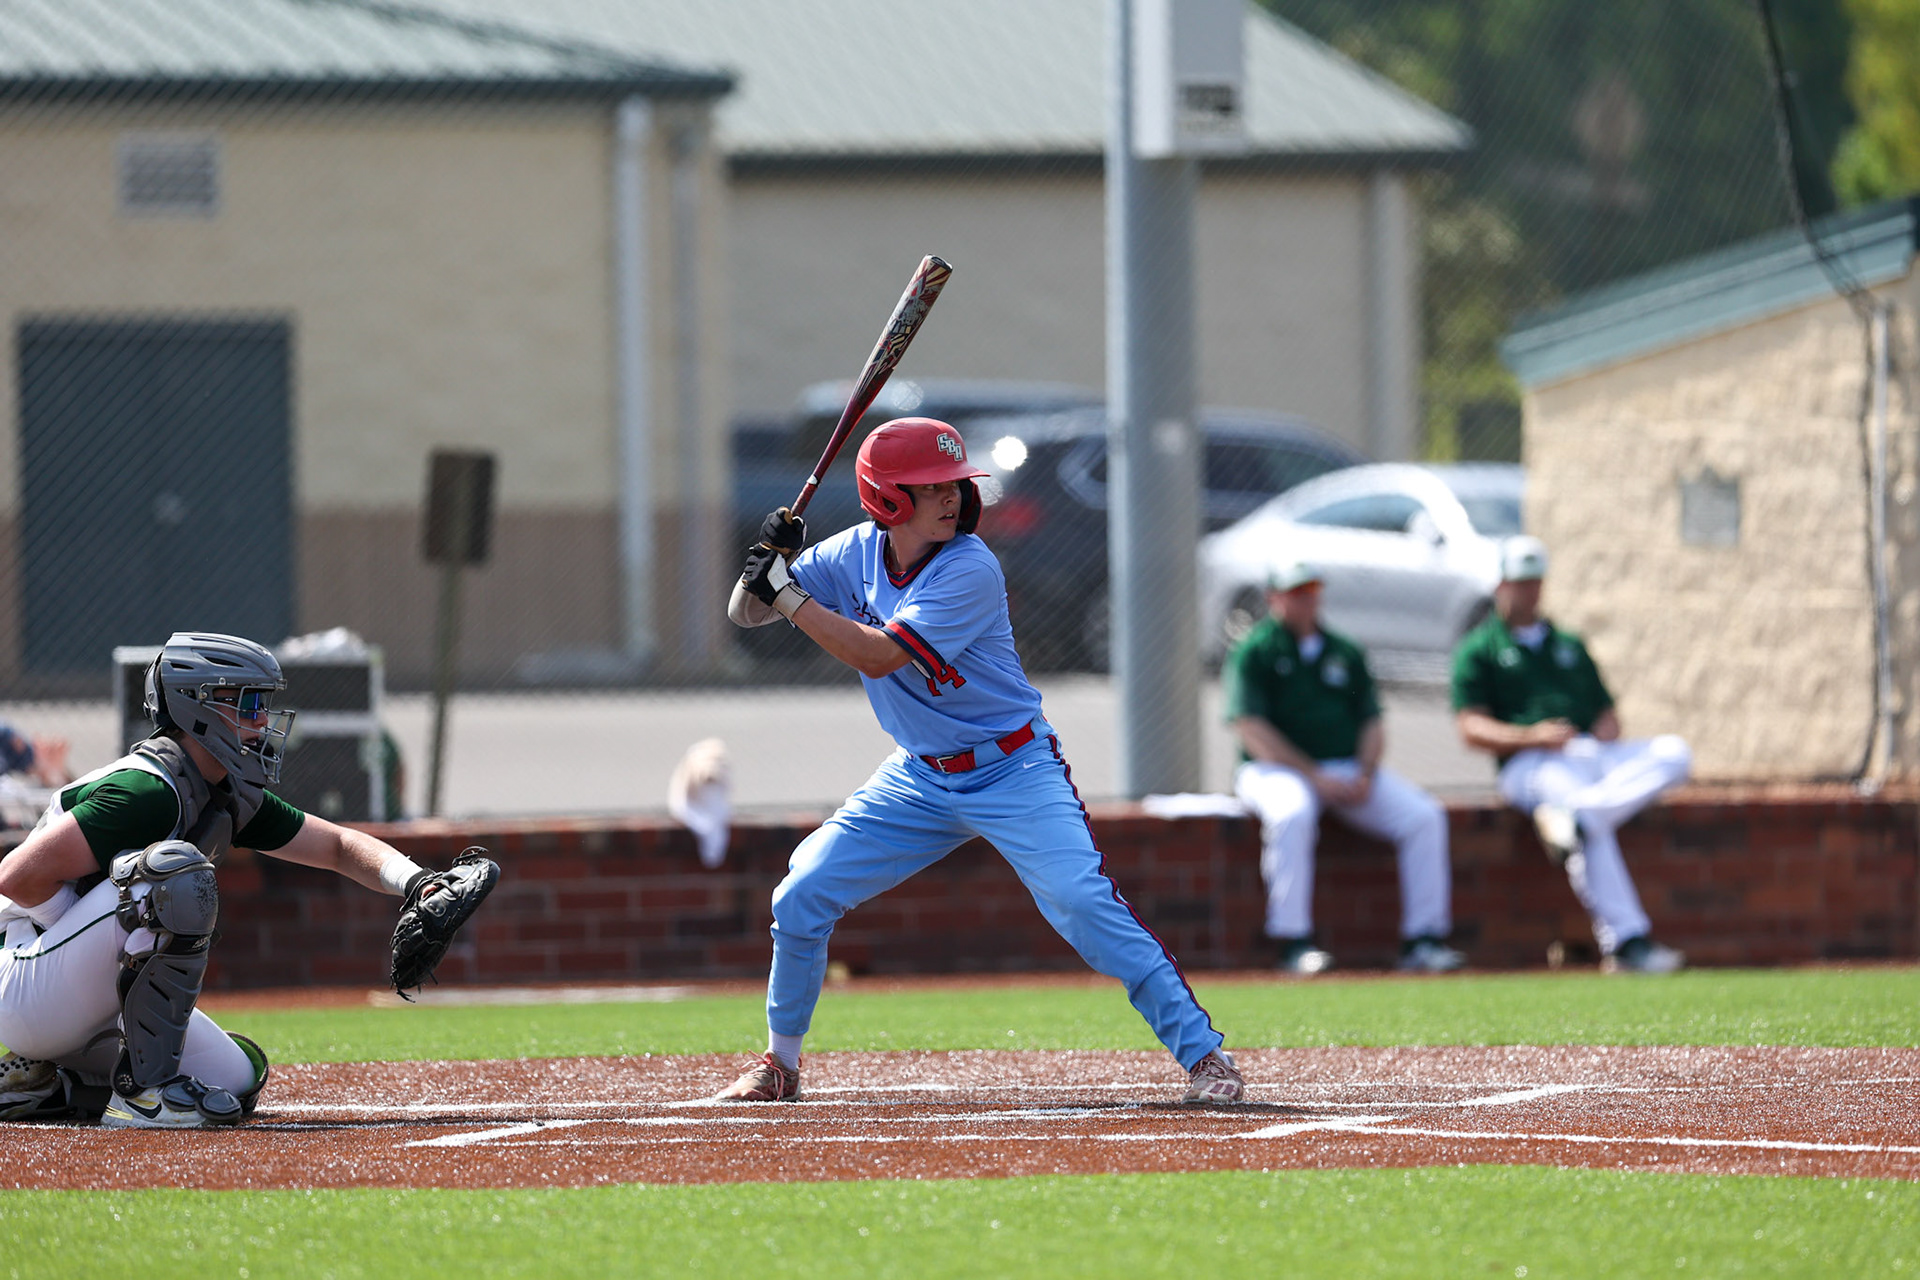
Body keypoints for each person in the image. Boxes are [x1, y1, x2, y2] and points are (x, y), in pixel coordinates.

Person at [724, 417, 1244, 1105]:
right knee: (802, 892)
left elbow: (877, 656)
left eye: (955, 485)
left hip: (1012, 768)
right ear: (887, 498)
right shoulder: (850, 553)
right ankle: (779, 1065)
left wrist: (787, 592)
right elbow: (744, 615)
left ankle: (1205, 1058)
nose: (953, 498)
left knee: (1083, 901)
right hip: (918, 776)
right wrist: (766, 559)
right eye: (932, 487)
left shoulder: (969, 565)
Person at [0, 632, 477, 1127]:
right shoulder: (147, 790)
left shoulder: (219, 790)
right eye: (248, 703)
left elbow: (335, 845)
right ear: (196, 707)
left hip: (73, 989)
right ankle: (143, 1094)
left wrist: (419, 883)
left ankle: (50, 1084)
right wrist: (105, 948)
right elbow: (15, 878)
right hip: (21, 981)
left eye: (263, 704)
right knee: (172, 877)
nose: (262, 721)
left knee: (237, 1077)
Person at [1452, 537, 1691, 974]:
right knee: (1577, 804)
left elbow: (1607, 715)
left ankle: (1580, 818)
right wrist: (1531, 736)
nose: (1527, 591)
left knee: (1674, 753)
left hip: (1585, 752)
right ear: (1500, 585)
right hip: (1528, 765)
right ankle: (1627, 941)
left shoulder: (1567, 643)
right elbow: (1470, 727)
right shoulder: (1480, 648)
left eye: (1534, 582)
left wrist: (1601, 733)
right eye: (1518, 582)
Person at [1225, 560, 1463, 976]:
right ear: (1273, 598)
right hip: (1275, 770)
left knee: (1424, 817)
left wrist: (1367, 773)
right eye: (1296, 592)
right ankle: (1292, 942)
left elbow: (1372, 721)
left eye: (1312, 591)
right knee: (1292, 813)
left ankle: (1422, 941)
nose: (1306, 600)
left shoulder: (1343, 650)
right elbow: (1251, 729)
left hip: (1345, 770)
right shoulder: (1256, 650)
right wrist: (1313, 775)